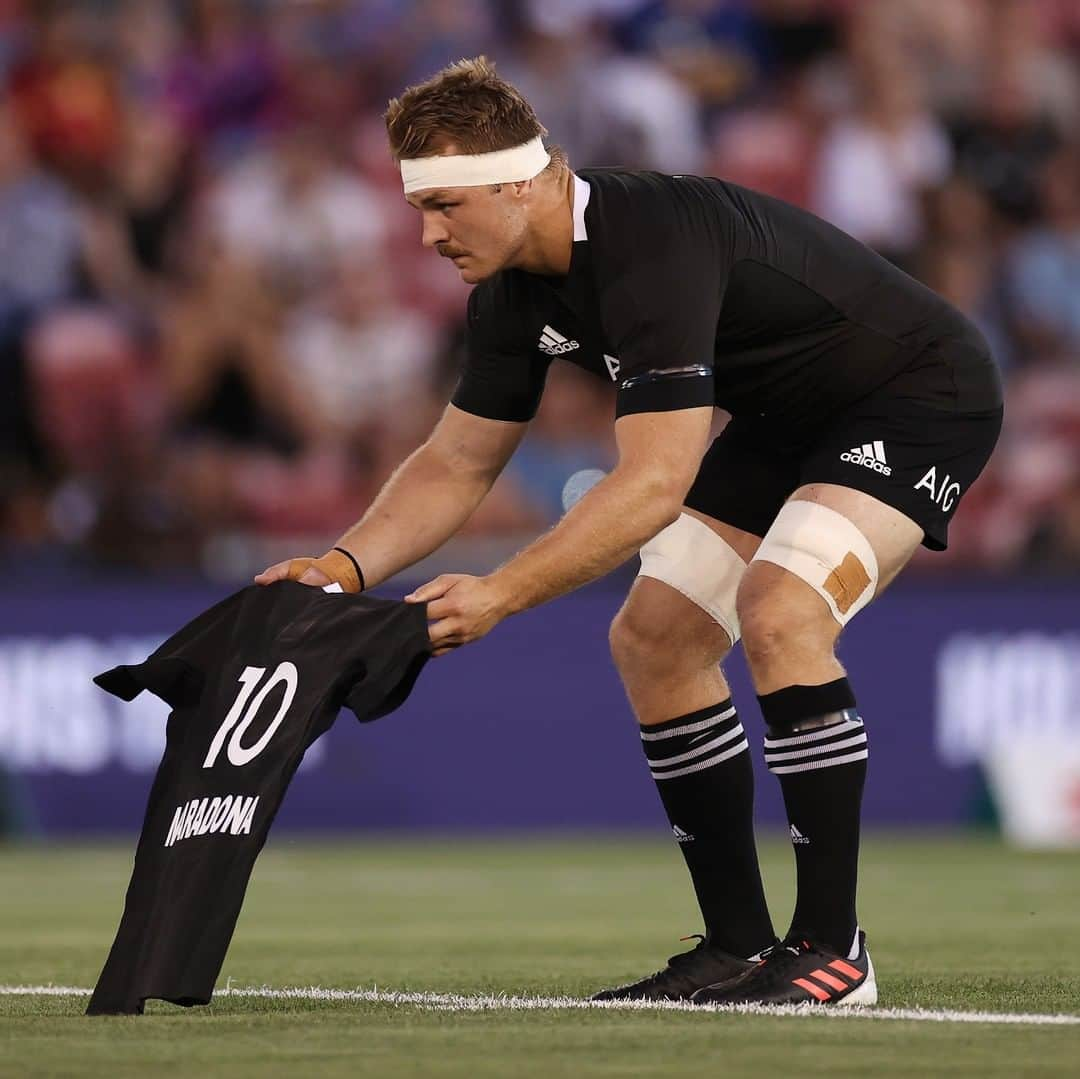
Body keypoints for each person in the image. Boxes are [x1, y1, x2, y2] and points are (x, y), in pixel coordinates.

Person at [256, 57, 1002, 1007]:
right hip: (787, 418)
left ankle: (832, 948)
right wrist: (340, 565)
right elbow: (456, 464)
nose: (431, 233)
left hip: (916, 394)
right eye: (420, 209)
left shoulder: (650, 242)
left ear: (522, 181)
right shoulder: (510, 294)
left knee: (781, 613)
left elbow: (654, 482)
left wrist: (500, 591)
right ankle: (735, 943)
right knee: (655, 640)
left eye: (446, 205)